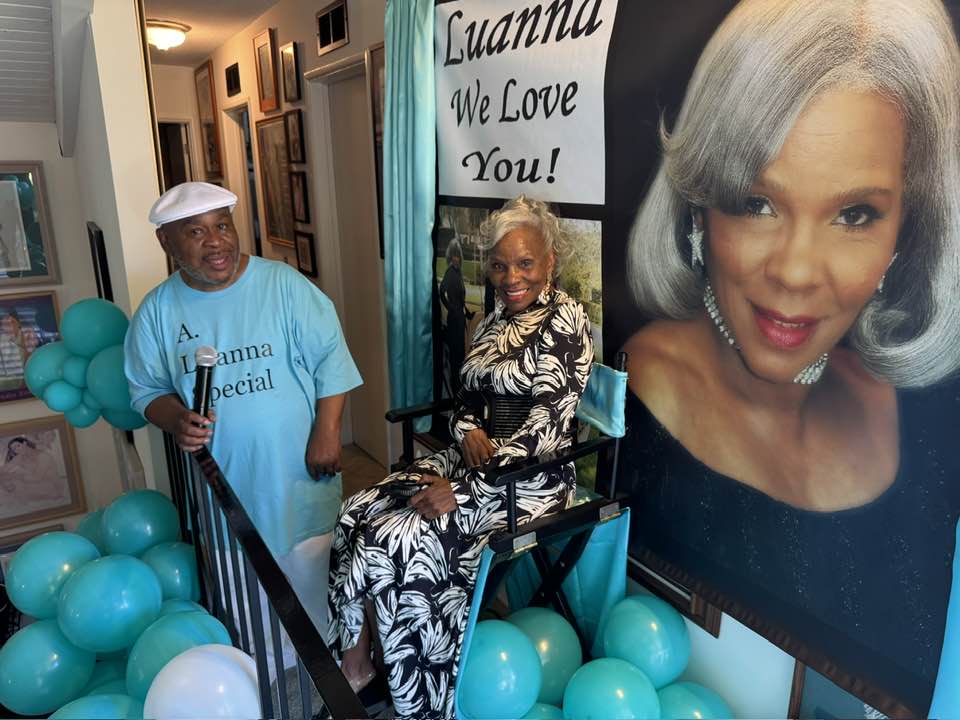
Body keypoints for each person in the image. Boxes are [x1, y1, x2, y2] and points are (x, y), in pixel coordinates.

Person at [620, 0, 960, 709]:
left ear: (906, 232)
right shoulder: (643, 393)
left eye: (854, 214)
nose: (797, 272)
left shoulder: (929, 421)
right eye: (757, 203)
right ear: (699, 207)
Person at [328, 195, 593, 719]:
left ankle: (419, 700)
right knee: (356, 511)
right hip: (473, 460)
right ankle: (358, 664)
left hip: (531, 478)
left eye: (524, 263)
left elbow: (545, 429)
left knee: (392, 539)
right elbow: (464, 400)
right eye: (499, 266)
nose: (511, 277)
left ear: (549, 261)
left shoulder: (565, 319)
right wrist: (468, 428)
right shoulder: (492, 321)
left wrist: (467, 489)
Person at [124, 181, 362, 639]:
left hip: (299, 478)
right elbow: (146, 390)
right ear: (166, 242)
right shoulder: (156, 312)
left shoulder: (283, 285)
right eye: (196, 232)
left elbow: (331, 358)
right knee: (253, 617)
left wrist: (328, 431)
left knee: (323, 601)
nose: (216, 242)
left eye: (223, 226)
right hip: (227, 490)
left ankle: (335, 673)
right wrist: (177, 420)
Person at [438, 238, 474, 394]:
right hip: (454, 319)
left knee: (460, 353)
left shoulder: (458, 273)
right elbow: (442, 291)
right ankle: (455, 388)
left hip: (460, 317)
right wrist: (450, 308)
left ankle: (459, 387)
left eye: (458, 256)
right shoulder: (450, 273)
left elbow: (460, 298)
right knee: (455, 354)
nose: (456, 259)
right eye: (453, 256)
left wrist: (466, 311)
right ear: (450, 257)